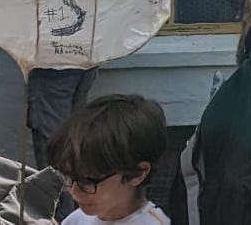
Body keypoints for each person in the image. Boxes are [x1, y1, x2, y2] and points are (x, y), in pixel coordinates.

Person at [47, 92, 171, 224]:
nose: (73, 191)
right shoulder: (76, 220)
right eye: (68, 176)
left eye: (88, 181)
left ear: (138, 173)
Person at [29, 66, 100, 169]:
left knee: (54, 142)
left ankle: (57, 181)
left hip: (54, 65)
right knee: (75, 130)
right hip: (85, 58)